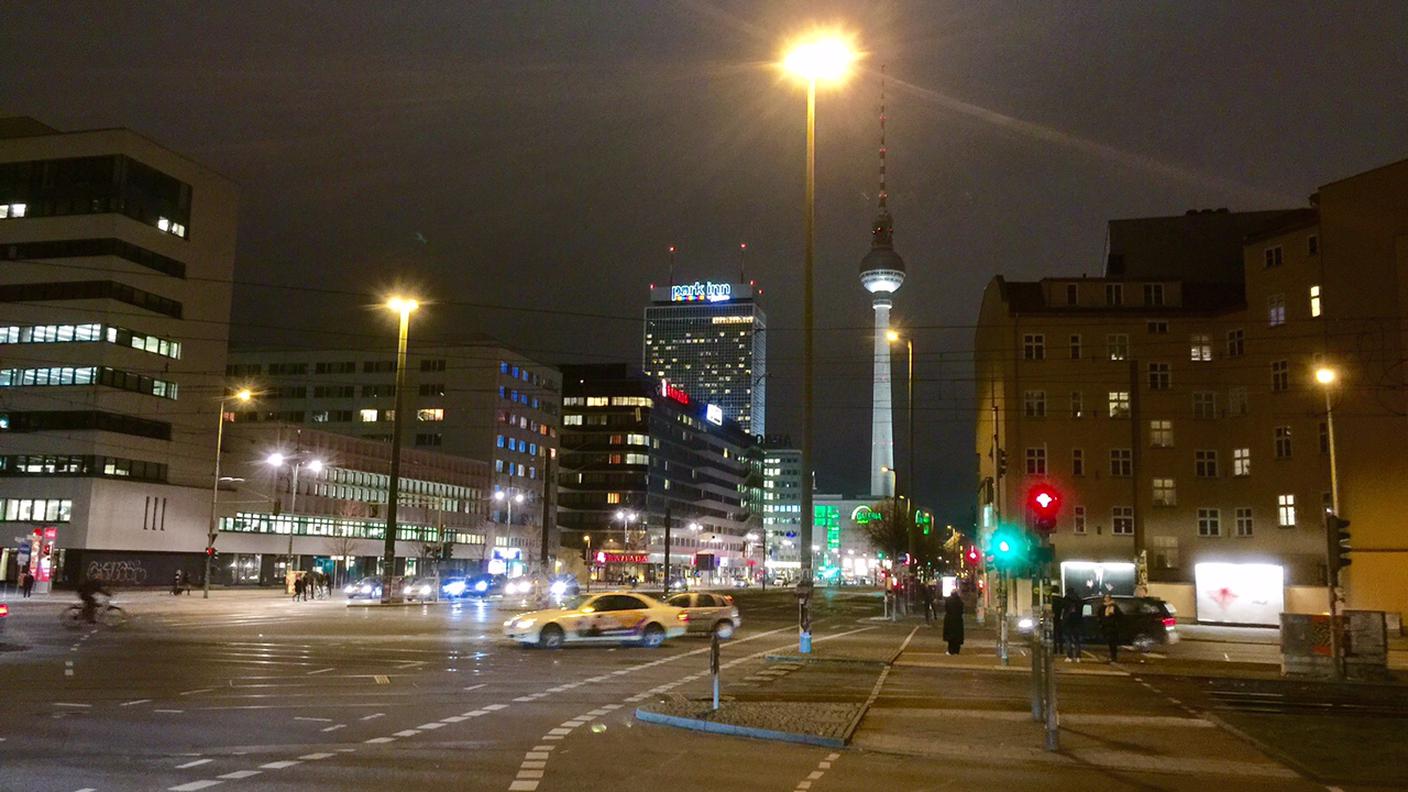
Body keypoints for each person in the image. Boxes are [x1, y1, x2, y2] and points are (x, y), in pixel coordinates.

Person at [1099, 593, 1122, 662]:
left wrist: (1114, 616)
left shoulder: (1114, 606)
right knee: (1109, 642)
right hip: (1106, 626)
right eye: (1105, 597)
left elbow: (1120, 615)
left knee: (1113, 643)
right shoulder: (1102, 607)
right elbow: (1099, 615)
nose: (1107, 599)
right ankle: (1111, 656)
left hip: (1113, 627)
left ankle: (1113, 657)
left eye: (1108, 597)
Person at [942, 590, 965, 655]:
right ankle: (956, 650)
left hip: (949, 620)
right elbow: (962, 610)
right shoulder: (960, 601)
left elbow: (946, 608)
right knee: (957, 636)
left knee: (950, 636)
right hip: (958, 620)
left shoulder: (948, 600)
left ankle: (950, 650)